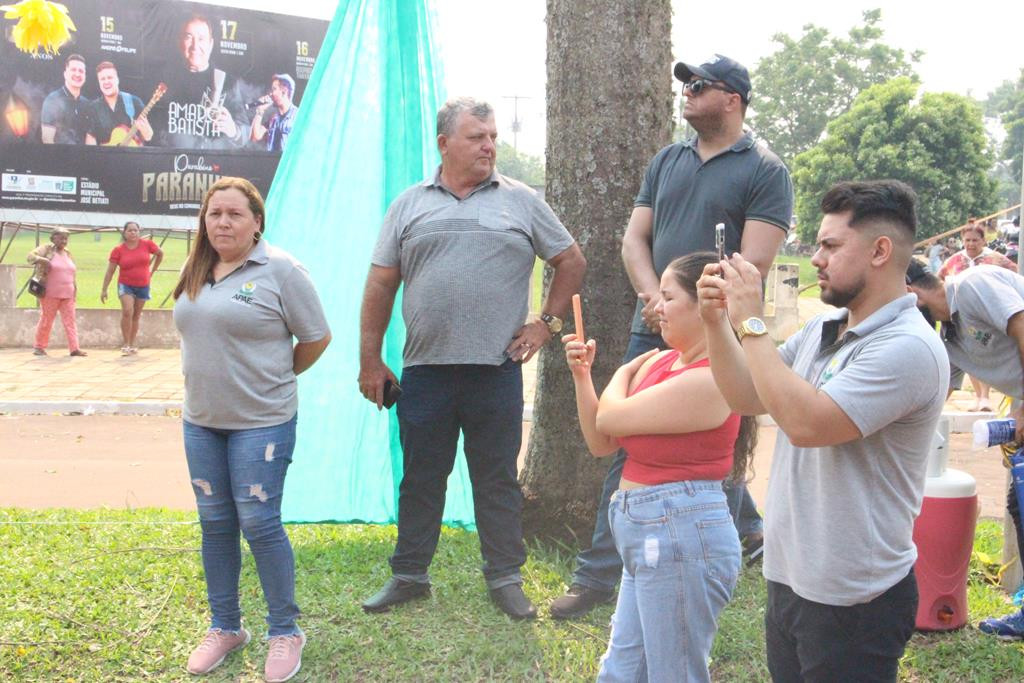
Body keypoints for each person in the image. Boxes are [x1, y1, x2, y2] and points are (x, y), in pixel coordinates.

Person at [550, 53, 793, 620]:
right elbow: (636, 239)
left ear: (732, 99)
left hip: (721, 336)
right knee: (627, 448)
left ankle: (722, 547)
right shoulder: (666, 159)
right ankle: (601, 575)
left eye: (700, 86)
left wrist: (709, 313)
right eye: (686, 84)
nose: (687, 92)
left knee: (722, 446)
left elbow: (751, 263)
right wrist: (654, 297)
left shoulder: (764, 168)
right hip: (654, 323)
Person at [698, 180, 948, 680]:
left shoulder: (908, 347)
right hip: (791, 578)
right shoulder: (823, 328)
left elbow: (807, 423)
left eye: (831, 246)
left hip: (855, 598)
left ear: (880, 251)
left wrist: (751, 322)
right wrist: (715, 322)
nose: (816, 258)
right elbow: (746, 396)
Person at [357, 97, 586, 620]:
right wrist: (371, 361)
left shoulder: (521, 201)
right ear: (444, 144)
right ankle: (409, 575)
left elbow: (571, 261)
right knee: (420, 477)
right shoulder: (409, 205)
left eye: (493, 137)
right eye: (476, 136)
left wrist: (545, 326)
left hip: (495, 371)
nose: (489, 146)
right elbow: (380, 284)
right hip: (424, 372)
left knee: (496, 478)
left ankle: (505, 579)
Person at [563, 251, 753, 682]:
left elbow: (609, 418)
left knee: (673, 673)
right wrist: (583, 377)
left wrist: (621, 372)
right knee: (622, 669)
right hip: (649, 534)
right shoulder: (659, 362)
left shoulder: (711, 379)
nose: (657, 308)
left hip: (680, 532)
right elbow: (599, 442)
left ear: (704, 305)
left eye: (667, 297)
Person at [173, 177, 331, 682]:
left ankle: (285, 631)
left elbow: (316, 337)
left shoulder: (281, 270)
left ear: (256, 221)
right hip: (201, 422)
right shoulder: (197, 266)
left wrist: (274, 378)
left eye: (234, 214)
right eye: (214, 213)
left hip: (261, 422)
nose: (222, 222)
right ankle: (226, 627)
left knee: (259, 523)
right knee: (215, 523)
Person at [906, 259, 1024, 640]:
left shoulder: (975, 284)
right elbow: (939, 395)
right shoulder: (948, 339)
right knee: (1019, 503)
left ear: (909, 294)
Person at [938, 221, 1016, 411]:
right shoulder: (955, 260)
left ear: (983, 240)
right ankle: (978, 397)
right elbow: (939, 278)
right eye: (967, 240)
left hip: (990, 316)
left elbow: (1014, 272)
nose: (971, 244)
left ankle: (985, 397)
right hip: (962, 318)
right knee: (969, 355)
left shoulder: (996, 259)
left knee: (986, 350)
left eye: (975, 240)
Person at [157, 14, 246, 148]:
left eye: (201, 39)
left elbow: (245, 137)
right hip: (173, 165)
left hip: (215, 166)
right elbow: (155, 131)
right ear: (180, 42)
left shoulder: (228, 82)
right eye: (188, 37)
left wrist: (233, 131)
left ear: (211, 44)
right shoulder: (165, 80)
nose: (195, 46)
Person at [100, 221, 164, 354]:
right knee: (128, 311)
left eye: (135, 230)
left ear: (139, 232)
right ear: (124, 233)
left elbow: (160, 254)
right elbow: (110, 271)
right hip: (125, 285)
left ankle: (132, 343)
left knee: (136, 315)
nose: (133, 233)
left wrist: (153, 270)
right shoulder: (118, 250)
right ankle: (126, 343)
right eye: (130, 230)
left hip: (143, 285)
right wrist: (104, 289)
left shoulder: (147, 244)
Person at [26, 228, 87, 357]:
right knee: (47, 319)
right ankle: (39, 346)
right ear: (53, 238)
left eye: (66, 238)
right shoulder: (47, 249)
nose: (63, 241)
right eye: (60, 238)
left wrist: (75, 289)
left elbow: (71, 272)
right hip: (50, 293)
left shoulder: (68, 253)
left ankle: (74, 348)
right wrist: (44, 260)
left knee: (70, 321)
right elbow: (30, 257)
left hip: (68, 294)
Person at [85, 62, 153, 146]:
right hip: (106, 157)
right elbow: (91, 138)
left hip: (132, 157)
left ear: (117, 79)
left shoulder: (134, 102)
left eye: (110, 77)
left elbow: (148, 136)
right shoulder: (93, 107)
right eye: (102, 79)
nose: (106, 82)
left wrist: (146, 132)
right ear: (99, 82)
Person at [40, 53, 92, 144]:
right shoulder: (53, 100)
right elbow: (47, 139)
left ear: (85, 76)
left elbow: (90, 139)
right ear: (65, 74)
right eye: (73, 70)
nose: (77, 74)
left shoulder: (87, 104)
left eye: (81, 71)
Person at [250, 74, 298, 152]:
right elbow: (255, 137)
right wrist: (260, 110)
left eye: (274, 89)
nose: (270, 94)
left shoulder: (298, 116)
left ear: (284, 92)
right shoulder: (273, 120)